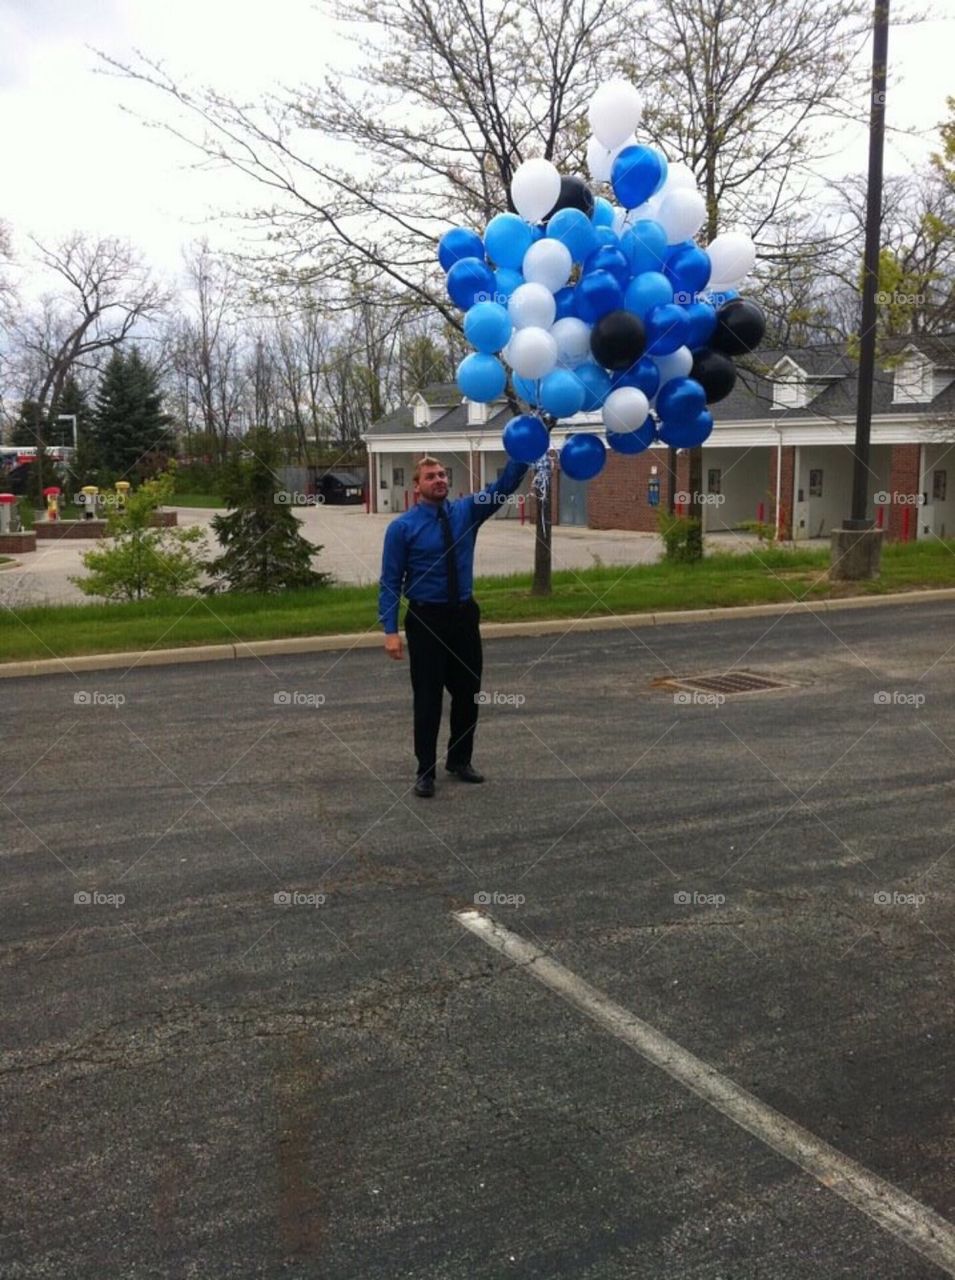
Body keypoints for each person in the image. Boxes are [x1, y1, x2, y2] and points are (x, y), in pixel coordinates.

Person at [379, 454, 528, 797]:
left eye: (442, 474)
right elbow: (390, 581)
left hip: (463, 616)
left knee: (468, 693)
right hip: (426, 619)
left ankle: (460, 760)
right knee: (428, 698)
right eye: (431, 476)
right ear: (417, 486)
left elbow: (504, 486)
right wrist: (390, 630)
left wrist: (524, 454)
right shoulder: (402, 528)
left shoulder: (467, 511)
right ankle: (425, 771)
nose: (439, 480)